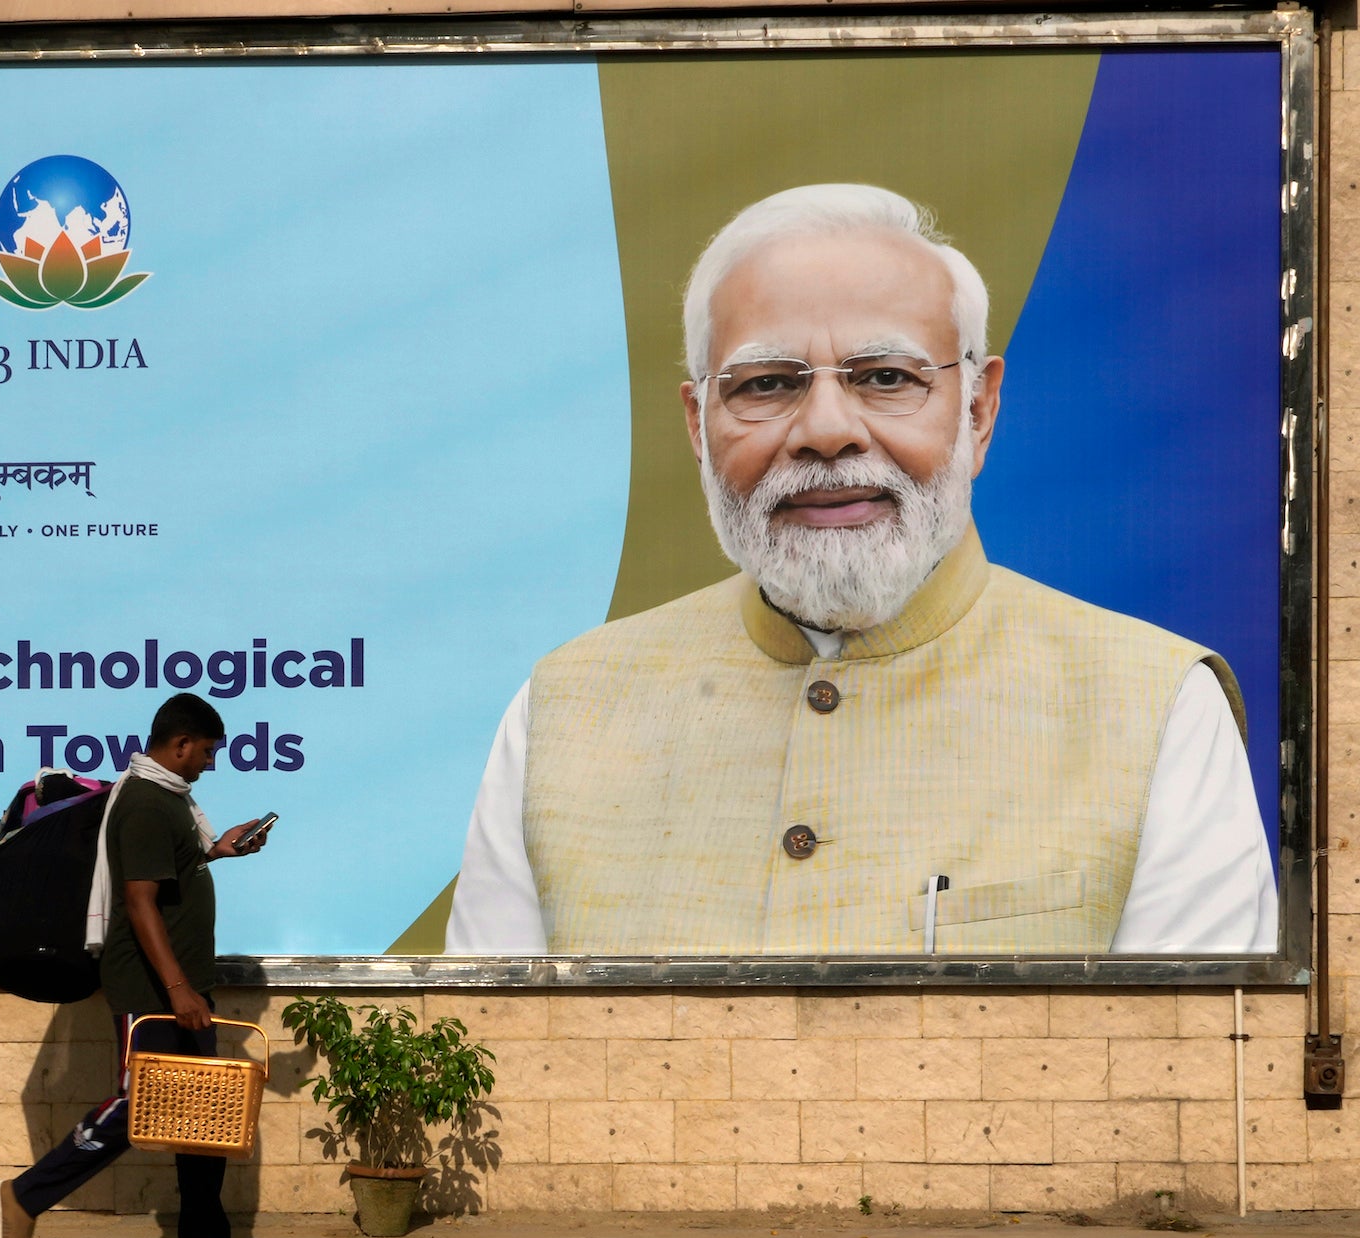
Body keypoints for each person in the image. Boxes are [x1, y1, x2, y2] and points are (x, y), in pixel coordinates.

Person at [447, 182, 1277, 957]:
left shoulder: (1155, 710)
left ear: (979, 412)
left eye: (885, 378)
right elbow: (493, 1079)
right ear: (699, 426)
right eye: (767, 384)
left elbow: (1192, 1085)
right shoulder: (564, 714)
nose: (827, 430)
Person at [0, 692, 274, 1238]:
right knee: (138, 1105)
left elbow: (170, 878)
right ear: (180, 744)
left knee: (201, 1110)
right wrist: (176, 989)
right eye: (207, 751)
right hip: (153, 990)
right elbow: (140, 903)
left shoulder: (170, 802)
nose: (210, 763)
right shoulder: (146, 803)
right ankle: (25, 1197)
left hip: (182, 985)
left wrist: (216, 852)